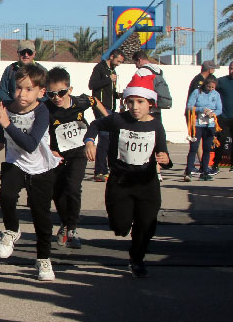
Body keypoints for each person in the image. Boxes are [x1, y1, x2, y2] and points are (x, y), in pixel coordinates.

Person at [84, 71, 172, 278]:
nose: (135, 107)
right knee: (120, 226)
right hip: (121, 181)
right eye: (130, 102)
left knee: (146, 225)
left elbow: (163, 152)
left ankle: (137, 259)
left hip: (147, 182)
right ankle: (123, 227)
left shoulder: (156, 125)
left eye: (140, 102)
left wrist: (166, 160)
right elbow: (96, 124)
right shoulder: (118, 120)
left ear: (150, 103)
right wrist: (89, 140)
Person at [0, 64, 59, 281]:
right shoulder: (8, 107)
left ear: (41, 92)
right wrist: (1, 136)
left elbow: (31, 144)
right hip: (15, 163)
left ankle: (43, 260)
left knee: (41, 216)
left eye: (29, 89)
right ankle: (12, 230)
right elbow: (5, 126)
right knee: (6, 195)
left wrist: (7, 126)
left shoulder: (42, 111)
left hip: (40, 168)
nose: (22, 94)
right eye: (19, 88)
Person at [45, 67, 106, 249]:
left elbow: (94, 101)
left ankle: (71, 229)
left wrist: (109, 120)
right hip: (57, 154)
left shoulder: (80, 101)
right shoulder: (45, 108)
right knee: (57, 191)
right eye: (51, 94)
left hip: (79, 151)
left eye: (61, 93)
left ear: (69, 90)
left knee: (72, 187)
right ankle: (65, 223)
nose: (56, 97)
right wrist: (48, 149)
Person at [87, 48, 124, 181]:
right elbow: (92, 85)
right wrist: (109, 79)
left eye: (120, 62)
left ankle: (108, 168)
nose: (118, 64)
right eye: (118, 61)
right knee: (104, 137)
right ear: (112, 56)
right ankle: (99, 171)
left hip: (111, 108)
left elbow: (110, 92)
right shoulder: (100, 68)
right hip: (101, 106)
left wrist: (119, 95)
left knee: (111, 138)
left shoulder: (112, 71)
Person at [184, 75, 222, 181]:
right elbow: (189, 106)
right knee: (194, 147)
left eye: (212, 88)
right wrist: (201, 109)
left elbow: (219, 109)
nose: (210, 89)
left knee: (207, 148)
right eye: (208, 87)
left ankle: (205, 171)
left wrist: (212, 113)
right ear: (205, 84)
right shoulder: (197, 92)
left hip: (210, 125)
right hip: (197, 124)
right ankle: (189, 170)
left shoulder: (216, 95)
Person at [0, 40, 43, 105]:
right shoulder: (10, 69)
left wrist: (33, 104)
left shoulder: (41, 70)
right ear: (18, 53)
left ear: (34, 53)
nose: (26, 55)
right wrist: (12, 105)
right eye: (23, 52)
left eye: (29, 52)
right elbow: (1, 92)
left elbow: (46, 94)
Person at [132, 50, 172, 117]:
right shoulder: (159, 70)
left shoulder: (141, 72)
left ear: (139, 60)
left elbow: (137, 91)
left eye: (135, 63)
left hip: (146, 111)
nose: (136, 66)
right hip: (157, 110)